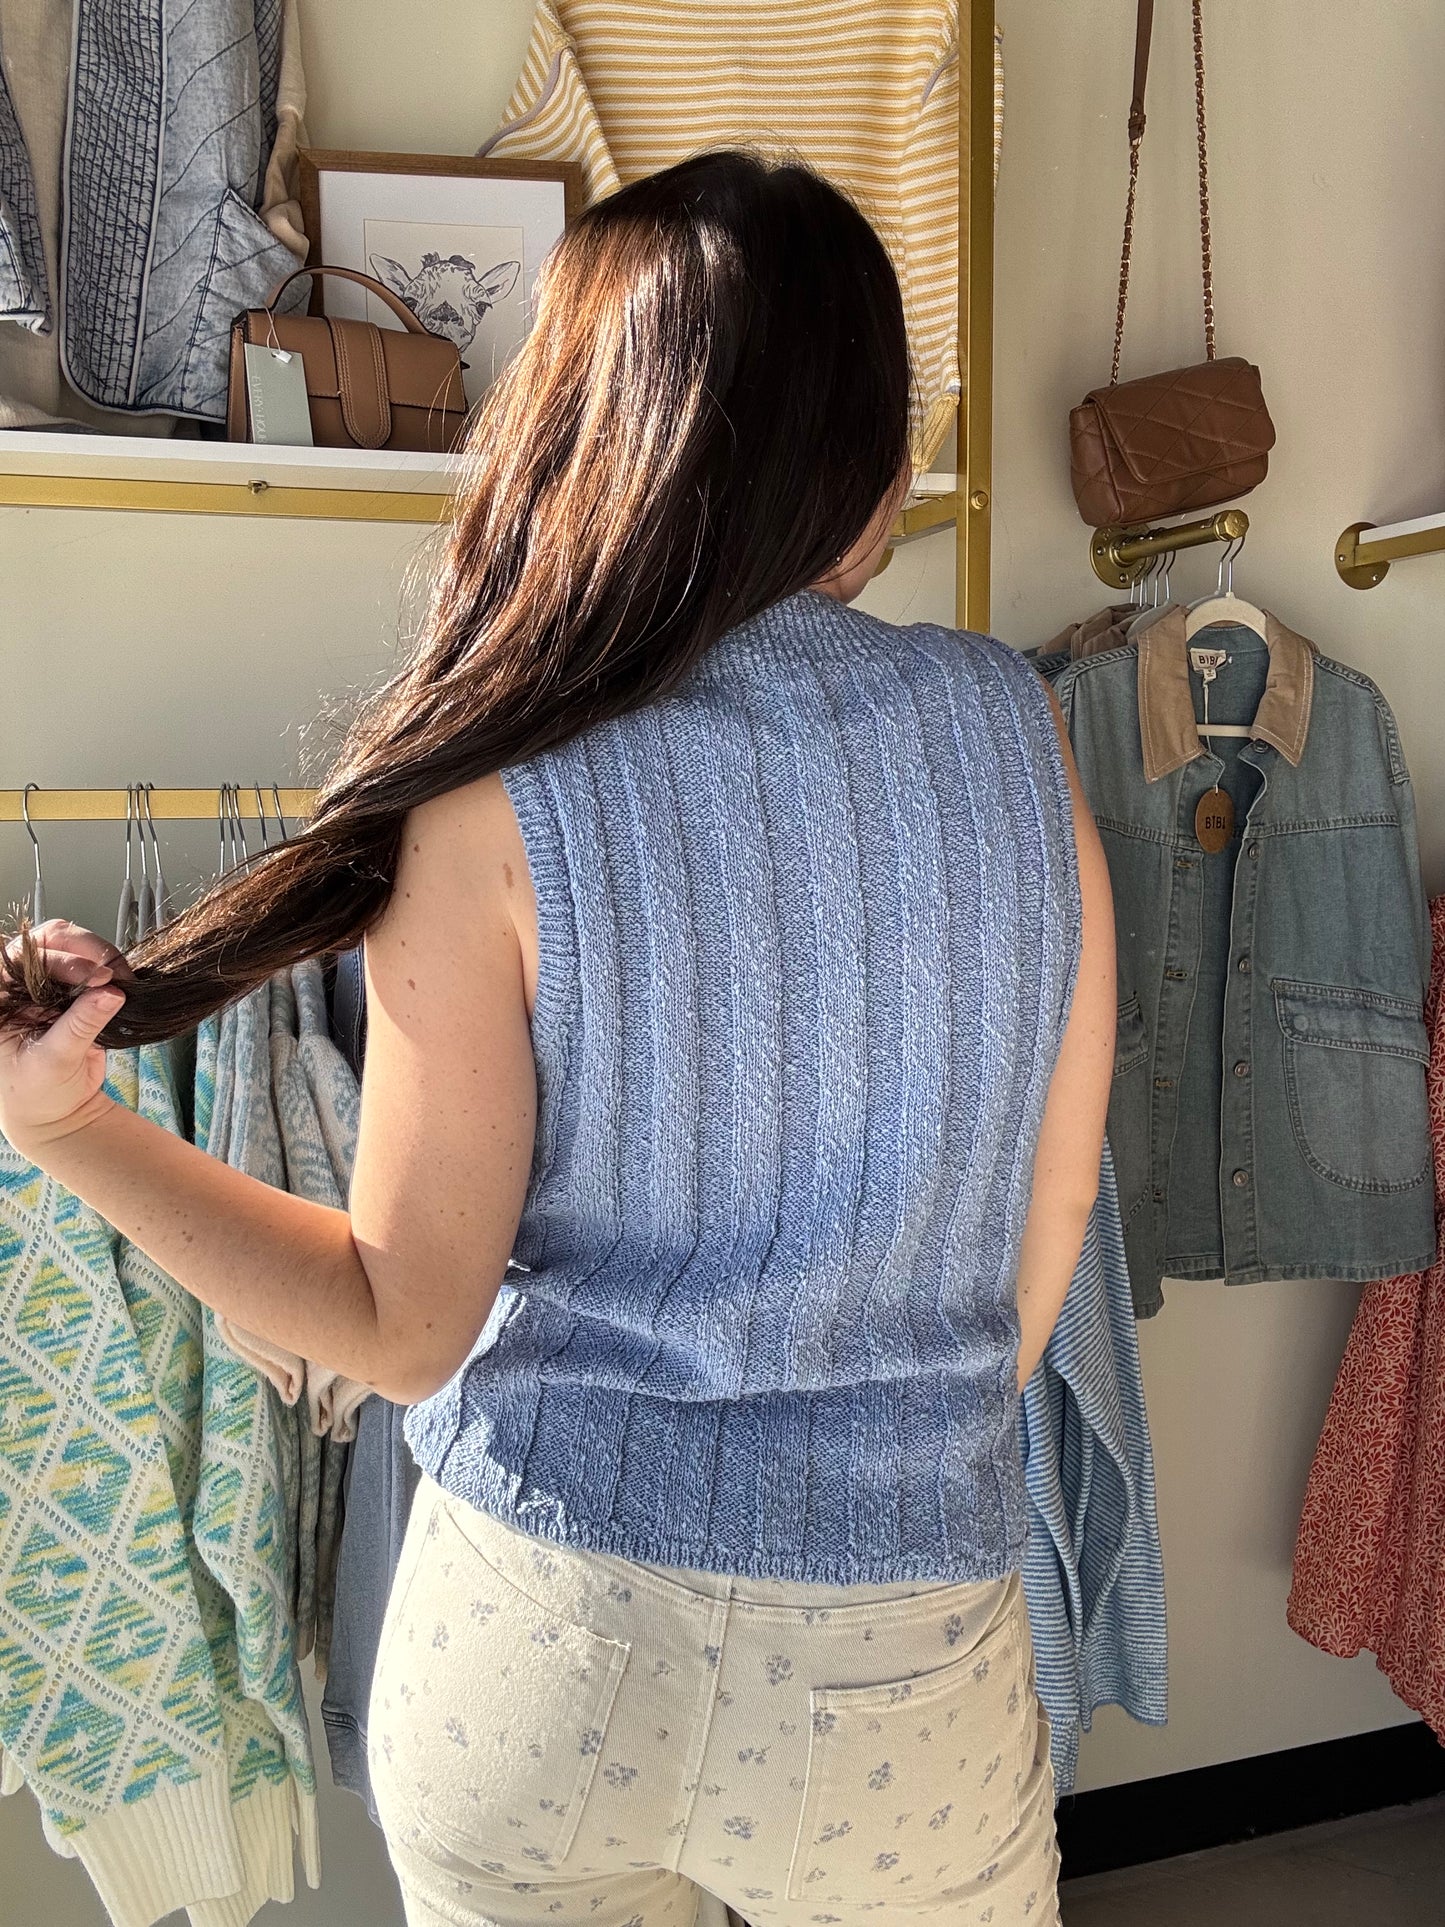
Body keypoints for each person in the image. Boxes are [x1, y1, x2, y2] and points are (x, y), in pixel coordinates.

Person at [0, 150, 1113, 1927]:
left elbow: (401, 1322)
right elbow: (1050, 1213)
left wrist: (72, 1131)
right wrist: (880, 1466)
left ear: (576, 435)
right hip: (902, 1650)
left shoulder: (494, 790)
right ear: (873, 451)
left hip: (544, 1645)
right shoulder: (1009, 727)